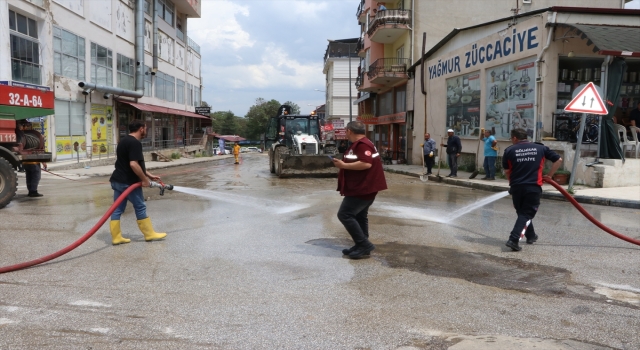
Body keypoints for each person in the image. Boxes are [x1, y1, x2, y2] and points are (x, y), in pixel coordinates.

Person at [331, 121, 387, 259]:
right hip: (362, 187)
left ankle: (364, 244)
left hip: (363, 188)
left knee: (345, 214)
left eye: (345, 130)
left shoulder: (363, 145)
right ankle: (362, 245)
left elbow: (366, 163)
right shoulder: (361, 143)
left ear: (349, 131)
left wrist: (343, 165)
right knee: (360, 216)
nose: (345, 133)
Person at [502, 128, 562, 252]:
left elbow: (507, 171)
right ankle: (513, 239)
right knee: (526, 213)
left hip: (517, 187)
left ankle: (531, 235)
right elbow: (558, 160)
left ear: (514, 138)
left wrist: (512, 184)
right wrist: (550, 175)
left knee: (523, 213)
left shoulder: (509, 150)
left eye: (511, 139)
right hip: (533, 187)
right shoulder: (540, 148)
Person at [109, 120, 167, 245]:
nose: (146, 130)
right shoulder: (135, 143)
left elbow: (130, 163)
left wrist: (150, 176)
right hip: (128, 182)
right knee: (140, 206)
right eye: (146, 128)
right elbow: (133, 164)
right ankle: (149, 234)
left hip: (117, 180)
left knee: (117, 209)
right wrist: (145, 180)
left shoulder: (123, 141)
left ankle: (116, 237)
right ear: (141, 129)